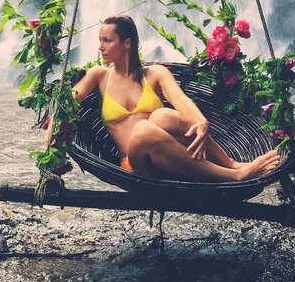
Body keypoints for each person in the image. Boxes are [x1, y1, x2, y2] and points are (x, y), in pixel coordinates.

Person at [72, 14, 280, 182]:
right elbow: (69, 102)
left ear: (127, 44)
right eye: (100, 41)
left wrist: (202, 122)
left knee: (162, 116)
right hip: (135, 165)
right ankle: (235, 175)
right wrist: (53, 125)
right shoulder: (99, 75)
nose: (100, 47)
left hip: (170, 156)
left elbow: (179, 100)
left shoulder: (155, 74)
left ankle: (231, 163)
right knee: (143, 129)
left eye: (107, 41)